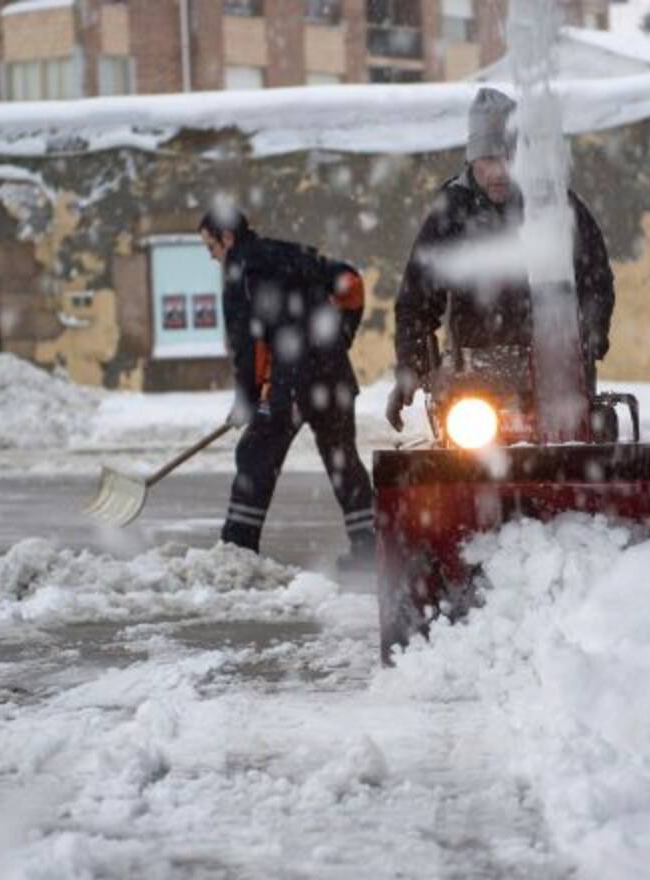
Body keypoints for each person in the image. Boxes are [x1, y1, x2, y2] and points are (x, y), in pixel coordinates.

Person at [385, 86, 616, 431]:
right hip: (474, 379)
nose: (499, 172)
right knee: (465, 461)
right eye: (488, 160)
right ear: (471, 159)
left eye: (508, 158)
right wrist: (410, 367)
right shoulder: (452, 211)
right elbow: (417, 298)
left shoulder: (556, 204)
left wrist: (589, 337)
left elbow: (595, 278)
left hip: (556, 374)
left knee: (571, 452)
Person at [200, 206, 376, 568]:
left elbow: (247, 346)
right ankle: (371, 546)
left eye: (211, 247)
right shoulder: (292, 253)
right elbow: (351, 284)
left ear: (227, 238)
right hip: (334, 378)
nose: (212, 257)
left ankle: (237, 551)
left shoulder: (240, 272)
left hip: (291, 383)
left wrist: (247, 398)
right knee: (343, 461)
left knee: (255, 455)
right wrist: (339, 338)